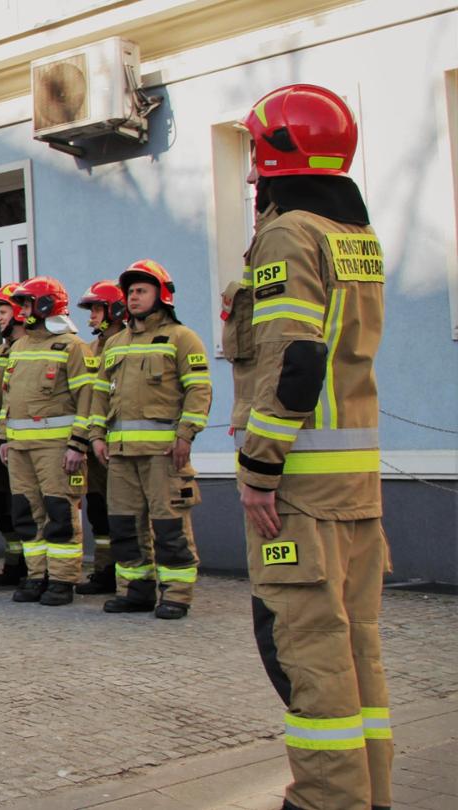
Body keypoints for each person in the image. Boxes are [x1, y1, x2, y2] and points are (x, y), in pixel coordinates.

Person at [234, 84, 389, 810]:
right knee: (358, 653)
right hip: (356, 487)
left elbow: (292, 361)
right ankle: (369, 795)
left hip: (298, 486)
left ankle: (325, 801)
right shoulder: (354, 237)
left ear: (272, 153)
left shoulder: (289, 234)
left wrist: (260, 468)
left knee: (305, 652)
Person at [87, 260, 210, 620]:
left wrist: (186, 435)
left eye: (142, 290)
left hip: (164, 454)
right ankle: (135, 591)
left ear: (162, 295)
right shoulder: (116, 343)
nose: (134, 297)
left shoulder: (182, 339)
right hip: (121, 456)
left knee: (169, 526)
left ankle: (177, 594)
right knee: (124, 526)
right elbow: (99, 395)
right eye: (130, 292)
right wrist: (96, 436)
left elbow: (199, 390)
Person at [0, 277, 96, 606]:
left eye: (25, 304)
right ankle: (37, 576)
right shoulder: (20, 348)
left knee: (59, 513)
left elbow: (88, 400)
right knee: (27, 513)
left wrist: (77, 444)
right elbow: (8, 399)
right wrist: (5, 438)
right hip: (20, 448)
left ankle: (62, 580)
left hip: (56, 449)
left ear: (43, 306)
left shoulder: (72, 347)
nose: (20, 311)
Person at [74, 280, 136, 596]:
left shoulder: (129, 342)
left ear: (114, 310)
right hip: (96, 442)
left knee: (129, 510)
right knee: (98, 507)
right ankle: (104, 569)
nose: (92, 316)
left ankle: (136, 572)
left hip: (126, 442)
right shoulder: (92, 349)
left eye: (98, 308)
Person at [0, 283, 30, 587]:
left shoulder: (32, 350)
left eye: (3, 312)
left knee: (26, 507)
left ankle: (35, 566)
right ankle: (15, 563)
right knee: (2, 506)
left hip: (23, 443)